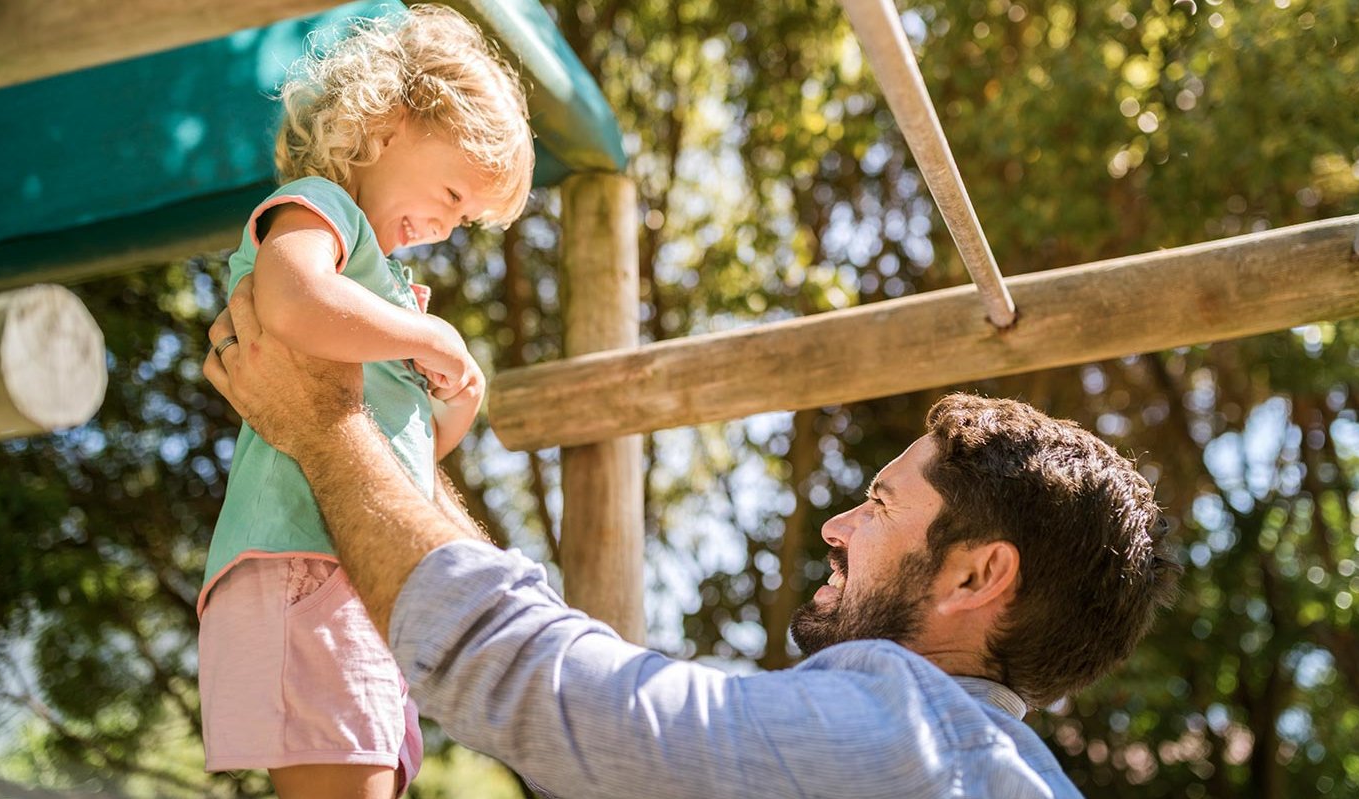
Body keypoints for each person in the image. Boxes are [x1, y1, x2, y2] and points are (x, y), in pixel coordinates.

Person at [203, 278, 1182, 799]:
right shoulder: (987, 768)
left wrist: (330, 423)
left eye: (879, 506)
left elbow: (533, 683)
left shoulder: (909, 735)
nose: (837, 527)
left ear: (976, 572)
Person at [196, 6, 534, 798]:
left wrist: (449, 404)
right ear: (386, 123)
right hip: (307, 566)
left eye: (464, 220)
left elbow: (401, 464)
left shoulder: (376, 289)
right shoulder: (320, 207)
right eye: (451, 193)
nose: (447, 229)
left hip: (350, 565)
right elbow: (289, 297)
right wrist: (425, 339)